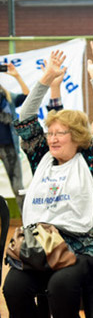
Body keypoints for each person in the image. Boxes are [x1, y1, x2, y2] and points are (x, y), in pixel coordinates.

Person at [3, 48, 93, 318]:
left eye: (60, 133)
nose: (52, 138)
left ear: (77, 138)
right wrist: (46, 79)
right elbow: (26, 117)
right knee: (13, 286)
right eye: (50, 133)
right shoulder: (41, 156)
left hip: (79, 247)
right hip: (39, 246)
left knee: (62, 284)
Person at [0, 62, 30, 209]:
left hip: (9, 147)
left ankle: (26, 219)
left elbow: (27, 96)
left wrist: (17, 76)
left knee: (18, 185)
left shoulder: (8, 98)